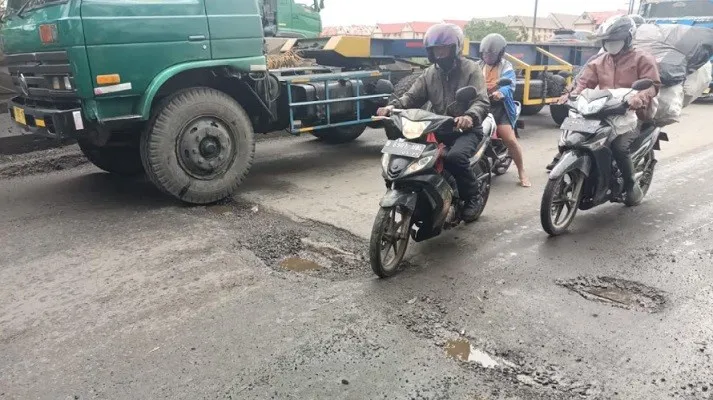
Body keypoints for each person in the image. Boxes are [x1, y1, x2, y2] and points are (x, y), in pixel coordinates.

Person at [377, 23, 490, 222]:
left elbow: (481, 100)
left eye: (444, 48)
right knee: (409, 154)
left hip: (467, 130)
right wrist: (392, 108)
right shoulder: (430, 73)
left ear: (455, 48)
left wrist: (470, 116)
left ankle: (473, 197)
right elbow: (411, 97)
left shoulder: (470, 69)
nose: (440, 53)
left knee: (455, 158)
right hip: (440, 127)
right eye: (436, 49)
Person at [550, 15, 660, 206]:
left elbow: (652, 85)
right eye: (608, 41)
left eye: (615, 40)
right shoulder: (599, 61)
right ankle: (572, 165)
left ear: (627, 39)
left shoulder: (642, 58)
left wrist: (638, 98)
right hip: (602, 111)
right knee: (573, 133)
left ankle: (631, 186)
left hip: (632, 115)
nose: (611, 45)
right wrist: (570, 95)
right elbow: (583, 83)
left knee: (618, 147)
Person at [477, 33, 531, 188]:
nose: (487, 56)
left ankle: (521, 172)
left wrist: (500, 93)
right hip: (480, 103)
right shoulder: (477, 66)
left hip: (500, 106)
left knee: (508, 138)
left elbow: (509, 84)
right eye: (485, 53)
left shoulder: (506, 66)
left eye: (491, 54)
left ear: (500, 53)